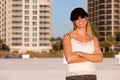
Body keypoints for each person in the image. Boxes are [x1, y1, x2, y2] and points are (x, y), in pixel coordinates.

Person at [63, 7, 103, 80]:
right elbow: (69, 58)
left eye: (82, 17)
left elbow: (100, 58)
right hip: (73, 76)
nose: (80, 20)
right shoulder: (68, 37)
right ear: (73, 22)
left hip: (91, 75)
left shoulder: (94, 39)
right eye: (77, 18)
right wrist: (92, 57)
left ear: (86, 19)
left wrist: (80, 53)